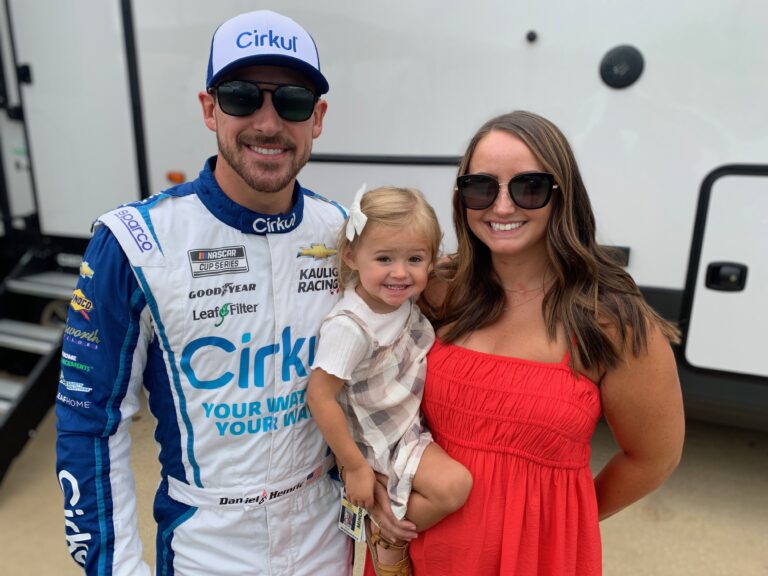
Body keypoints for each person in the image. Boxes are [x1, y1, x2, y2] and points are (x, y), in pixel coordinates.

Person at [55, 10, 354, 576]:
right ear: (209, 107)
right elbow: (91, 424)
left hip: (324, 534)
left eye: (291, 102)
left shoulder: (343, 234)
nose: (268, 123)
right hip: (207, 546)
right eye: (242, 97)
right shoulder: (135, 242)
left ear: (316, 119)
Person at [365, 110, 685, 575]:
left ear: (562, 195)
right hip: (419, 554)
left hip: (533, 560)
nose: (502, 207)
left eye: (528, 187)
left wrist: (561, 523)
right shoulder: (434, 291)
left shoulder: (611, 320)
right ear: (461, 198)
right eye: (481, 187)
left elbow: (653, 458)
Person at [307, 186, 473, 575]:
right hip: (381, 440)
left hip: (406, 425)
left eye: (415, 258)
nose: (401, 272)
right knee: (455, 485)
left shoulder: (398, 300)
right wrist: (355, 467)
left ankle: (391, 523)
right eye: (384, 258)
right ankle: (389, 532)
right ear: (350, 255)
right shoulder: (352, 327)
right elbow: (319, 397)